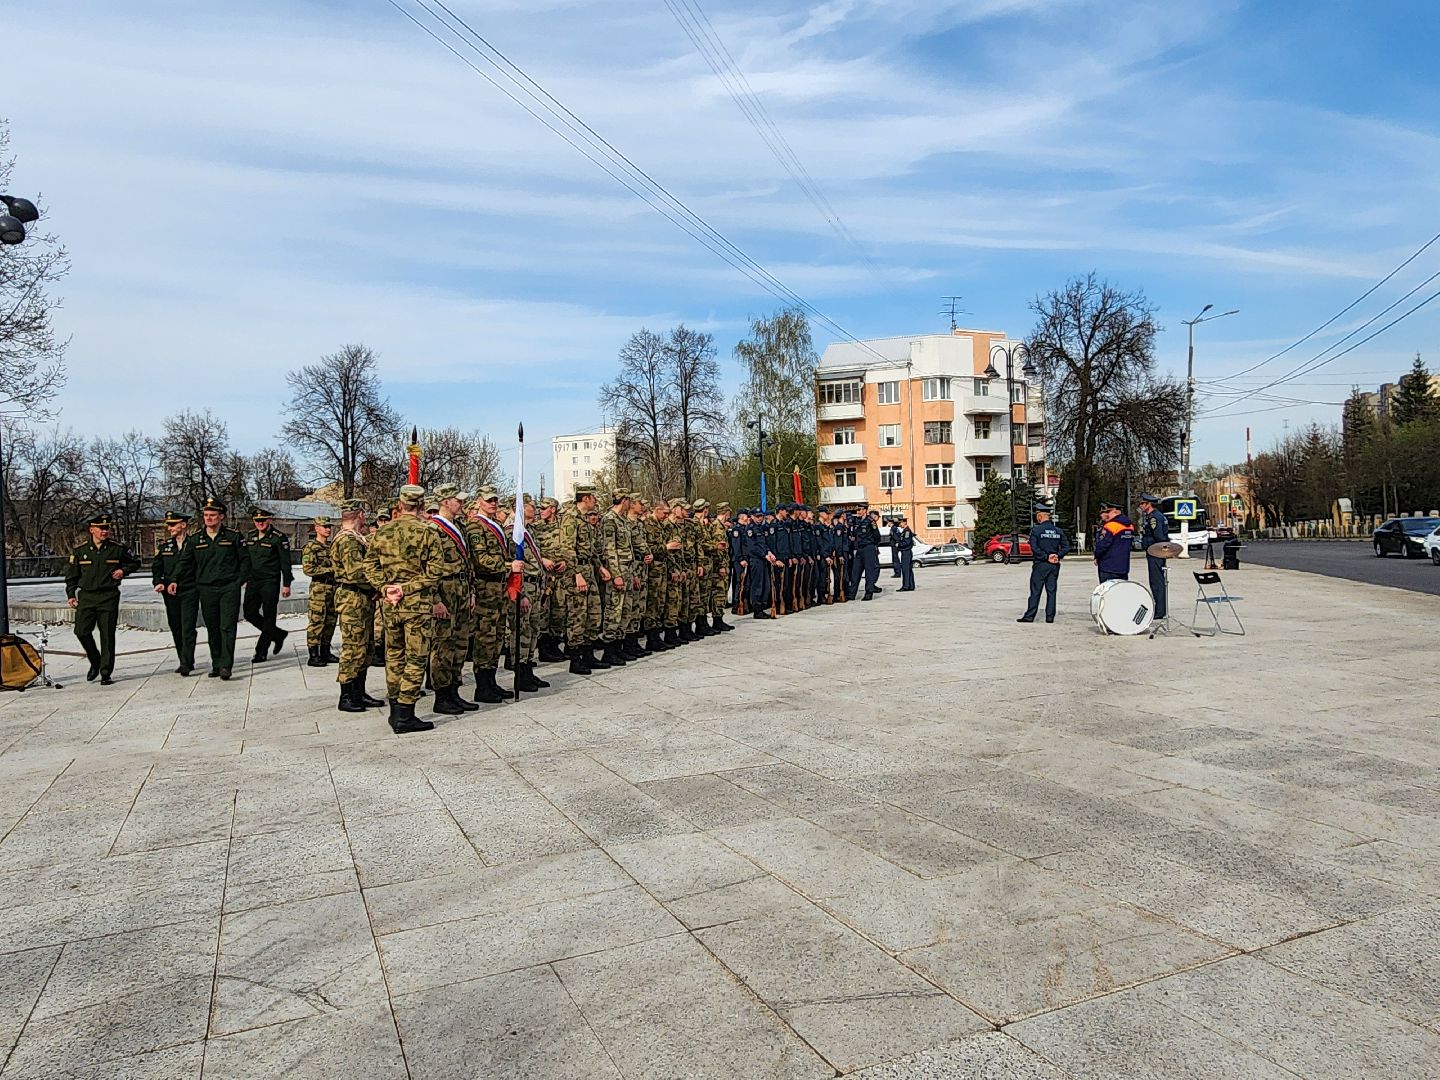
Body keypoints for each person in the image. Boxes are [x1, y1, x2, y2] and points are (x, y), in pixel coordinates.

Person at [364, 484, 444, 734]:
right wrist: (406, 589)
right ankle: (405, 713)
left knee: (394, 656)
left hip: (391, 605)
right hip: (416, 605)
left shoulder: (383, 532)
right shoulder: (428, 532)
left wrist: (386, 587)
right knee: (416, 658)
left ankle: (395, 708)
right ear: (421, 505)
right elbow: (435, 573)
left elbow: (369, 565)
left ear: (399, 505)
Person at [172, 496, 248, 679]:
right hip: (206, 589)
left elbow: (245, 560)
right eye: (206, 515)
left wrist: (240, 580)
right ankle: (216, 663)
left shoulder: (233, 537)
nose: (209, 518)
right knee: (213, 627)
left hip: (229, 587)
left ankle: (226, 665)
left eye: (213, 515)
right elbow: (184, 562)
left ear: (221, 516)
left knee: (227, 627)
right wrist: (174, 579)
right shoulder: (195, 539)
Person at [64, 513, 140, 684]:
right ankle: (95, 660)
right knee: (81, 631)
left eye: (107, 528)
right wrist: (70, 595)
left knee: (107, 635)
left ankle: (105, 672)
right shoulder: (80, 551)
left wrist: (123, 571)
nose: (105, 531)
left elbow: (135, 563)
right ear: (92, 530)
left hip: (108, 596)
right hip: (87, 597)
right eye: (101, 528)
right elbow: (71, 577)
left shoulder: (116, 549)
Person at [427, 484, 479, 715]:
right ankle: (442, 695)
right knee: (443, 646)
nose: (461, 503)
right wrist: (435, 599)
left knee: (460, 643)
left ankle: (454, 691)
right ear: (445, 502)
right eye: (457, 500)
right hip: (444, 590)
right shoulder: (433, 529)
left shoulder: (459, 526)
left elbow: (468, 562)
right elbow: (427, 568)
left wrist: (471, 591)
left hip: (461, 588)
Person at [332, 499, 384, 713]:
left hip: (362, 597)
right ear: (360, 515)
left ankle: (359, 692)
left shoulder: (356, 538)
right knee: (353, 647)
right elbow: (355, 572)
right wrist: (380, 584)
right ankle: (347, 695)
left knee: (365, 646)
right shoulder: (348, 541)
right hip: (353, 597)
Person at [464, 488, 512, 703]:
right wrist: (509, 565)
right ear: (479, 502)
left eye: (495, 500)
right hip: (486, 587)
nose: (493, 503)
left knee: (497, 635)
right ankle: (482, 686)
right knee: (485, 636)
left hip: (499, 588)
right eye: (489, 500)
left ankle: (491, 681)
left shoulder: (497, 525)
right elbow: (480, 559)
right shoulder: (475, 526)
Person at [242, 507, 293, 663]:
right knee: (249, 613)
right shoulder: (250, 536)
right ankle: (277, 634)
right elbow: (246, 560)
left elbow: (286, 562)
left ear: (269, 520)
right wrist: (243, 578)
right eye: (257, 521)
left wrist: (286, 584)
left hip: (270, 582)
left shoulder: (278, 538)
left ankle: (261, 651)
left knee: (269, 615)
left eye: (263, 520)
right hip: (253, 581)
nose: (260, 523)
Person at [151, 510, 197, 675]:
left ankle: (187, 661)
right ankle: (183, 659)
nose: (169, 527)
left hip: (189, 589)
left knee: (188, 627)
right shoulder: (165, 547)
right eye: (169, 525)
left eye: (173, 524)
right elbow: (157, 567)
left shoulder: (194, 544)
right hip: (170, 592)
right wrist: (158, 582)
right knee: (176, 626)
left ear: (183, 525)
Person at [1017, 503, 1070, 623]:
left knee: (1036, 591)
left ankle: (1030, 616)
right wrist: (1057, 555)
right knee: (1051, 591)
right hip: (1054, 565)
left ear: (1040, 516)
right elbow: (1066, 547)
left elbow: (1034, 548)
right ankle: (1050, 617)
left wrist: (1046, 557)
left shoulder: (1036, 530)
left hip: (1041, 564)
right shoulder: (1058, 530)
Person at [300, 516, 338, 667]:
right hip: (319, 588)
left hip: (333, 587)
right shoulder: (311, 547)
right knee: (317, 620)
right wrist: (331, 570)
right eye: (324, 526)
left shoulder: (331, 547)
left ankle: (325, 650)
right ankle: (313, 653)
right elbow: (308, 569)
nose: (327, 529)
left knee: (331, 620)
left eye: (329, 526)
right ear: (316, 528)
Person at [1137, 493, 1170, 619]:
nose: (1140, 506)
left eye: (1142, 504)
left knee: (1157, 582)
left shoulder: (1154, 518)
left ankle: (1160, 611)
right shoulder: (1153, 516)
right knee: (1156, 581)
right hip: (1154, 552)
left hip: (1155, 552)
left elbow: (1159, 537)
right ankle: (1159, 608)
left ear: (1148, 504)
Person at [1094, 502, 1135, 582]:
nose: (1106, 515)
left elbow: (1103, 545)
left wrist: (1097, 555)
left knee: (1108, 591)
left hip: (1108, 566)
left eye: (1108, 512)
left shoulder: (1110, 526)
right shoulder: (1130, 526)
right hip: (1123, 566)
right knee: (1120, 590)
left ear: (1114, 512)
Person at [857, 509, 883, 600]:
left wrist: (872, 544)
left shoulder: (871, 522)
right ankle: (851, 594)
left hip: (869, 547)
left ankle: (869, 593)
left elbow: (877, 536)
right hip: (860, 548)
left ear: (864, 510)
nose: (858, 511)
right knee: (856, 572)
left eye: (859, 509)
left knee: (869, 571)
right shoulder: (858, 521)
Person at [893, 516, 916, 592]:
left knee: (905, 570)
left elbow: (907, 542)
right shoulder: (905, 531)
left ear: (904, 522)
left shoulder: (907, 532)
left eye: (900, 523)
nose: (899, 525)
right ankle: (910, 585)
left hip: (906, 552)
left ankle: (906, 586)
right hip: (906, 552)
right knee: (908, 570)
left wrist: (898, 545)